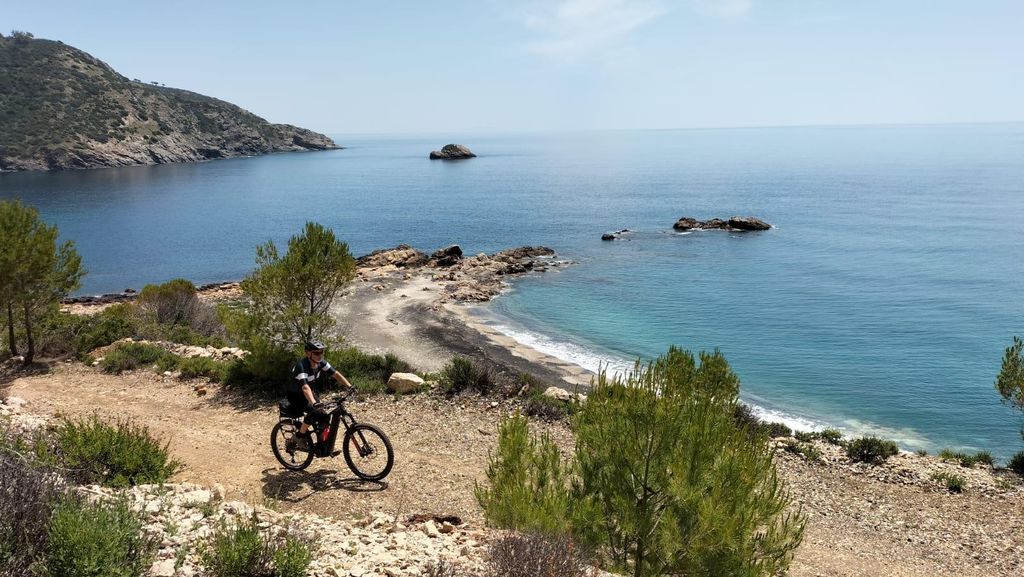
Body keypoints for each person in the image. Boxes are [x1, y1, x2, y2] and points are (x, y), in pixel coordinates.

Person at [286, 339, 354, 452]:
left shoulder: (320, 363)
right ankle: (299, 436)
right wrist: (314, 403)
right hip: (296, 396)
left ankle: (324, 445)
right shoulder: (301, 366)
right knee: (315, 412)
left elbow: (335, 374)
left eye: (321, 352)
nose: (320, 355)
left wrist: (349, 386)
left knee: (324, 416)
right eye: (316, 353)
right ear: (308, 353)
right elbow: (305, 387)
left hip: (310, 393)